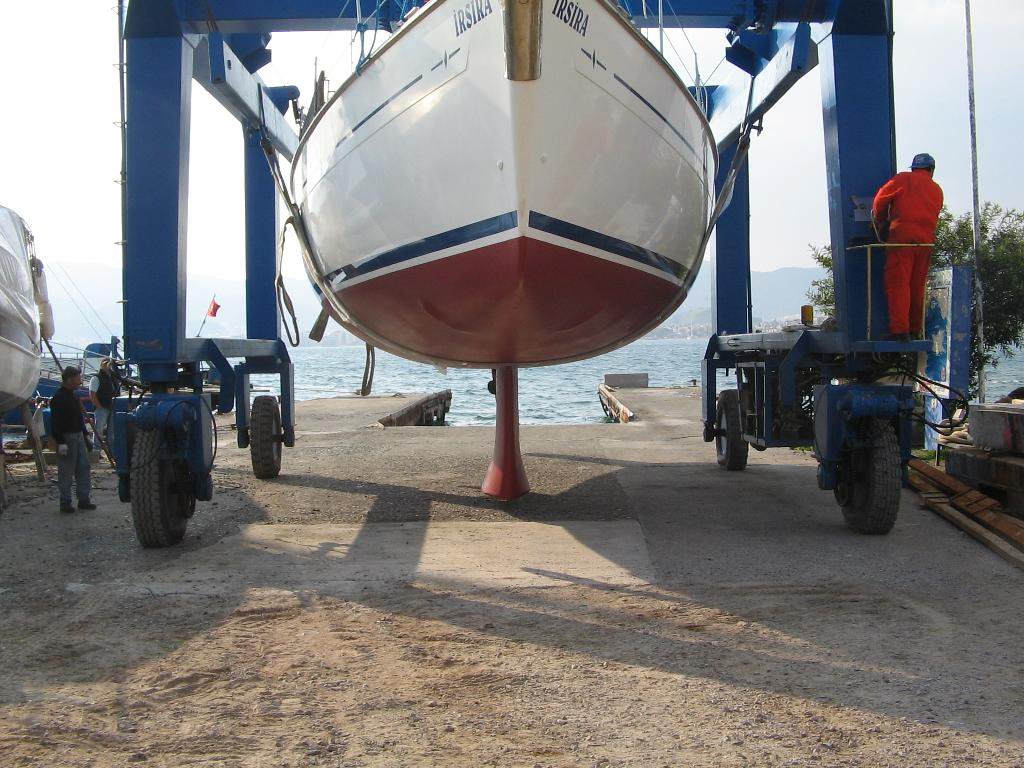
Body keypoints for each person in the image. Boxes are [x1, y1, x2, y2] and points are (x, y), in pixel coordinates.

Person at [872, 153, 944, 342]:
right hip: (926, 243)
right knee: (917, 286)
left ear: (913, 168)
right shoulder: (937, 190)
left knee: (898, 284)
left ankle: (899, 331)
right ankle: (914, 329)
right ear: (931, 170)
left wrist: (881, 221)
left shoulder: (903, 179)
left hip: (902, 240)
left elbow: (879, 200)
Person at [50, 366, 96, 513]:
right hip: (67, 437)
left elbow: (79, 418)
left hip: (78, 435)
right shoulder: (58, 398)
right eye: (77, 378)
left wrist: (85, 434)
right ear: (69, 380)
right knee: (66, 471)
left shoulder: (74, 396)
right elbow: (55, 423)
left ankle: (84, 499)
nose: (80, 381)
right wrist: (61, 442)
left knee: (83, 468)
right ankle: (65, 502)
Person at [88, 358, 119, 452]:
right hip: (102, 408)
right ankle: (96, 451)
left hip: (112, 407)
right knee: (99, 430)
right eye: (105, 363)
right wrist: (99, 407)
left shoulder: (113, 378)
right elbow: (92, 393)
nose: (108, 365)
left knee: (111, 431)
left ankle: (112, 451)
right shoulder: (96, 378)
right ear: (101, 365)